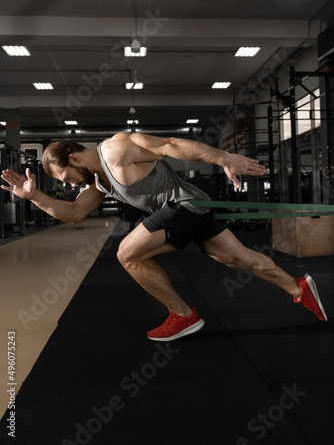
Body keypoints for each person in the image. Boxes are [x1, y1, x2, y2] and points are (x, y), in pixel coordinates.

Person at [1, 133, 327, 341]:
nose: (70, 183)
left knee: (127, 254)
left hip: (183, 205)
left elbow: (169, 145)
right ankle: (298, 289)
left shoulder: (116, 148)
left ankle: (184, 315)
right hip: (189, 208)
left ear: (73, 159)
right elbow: (74, 213)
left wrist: (222, 157)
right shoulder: (99, 182)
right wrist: (34, 198)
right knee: (237, 258)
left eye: (66, 177)